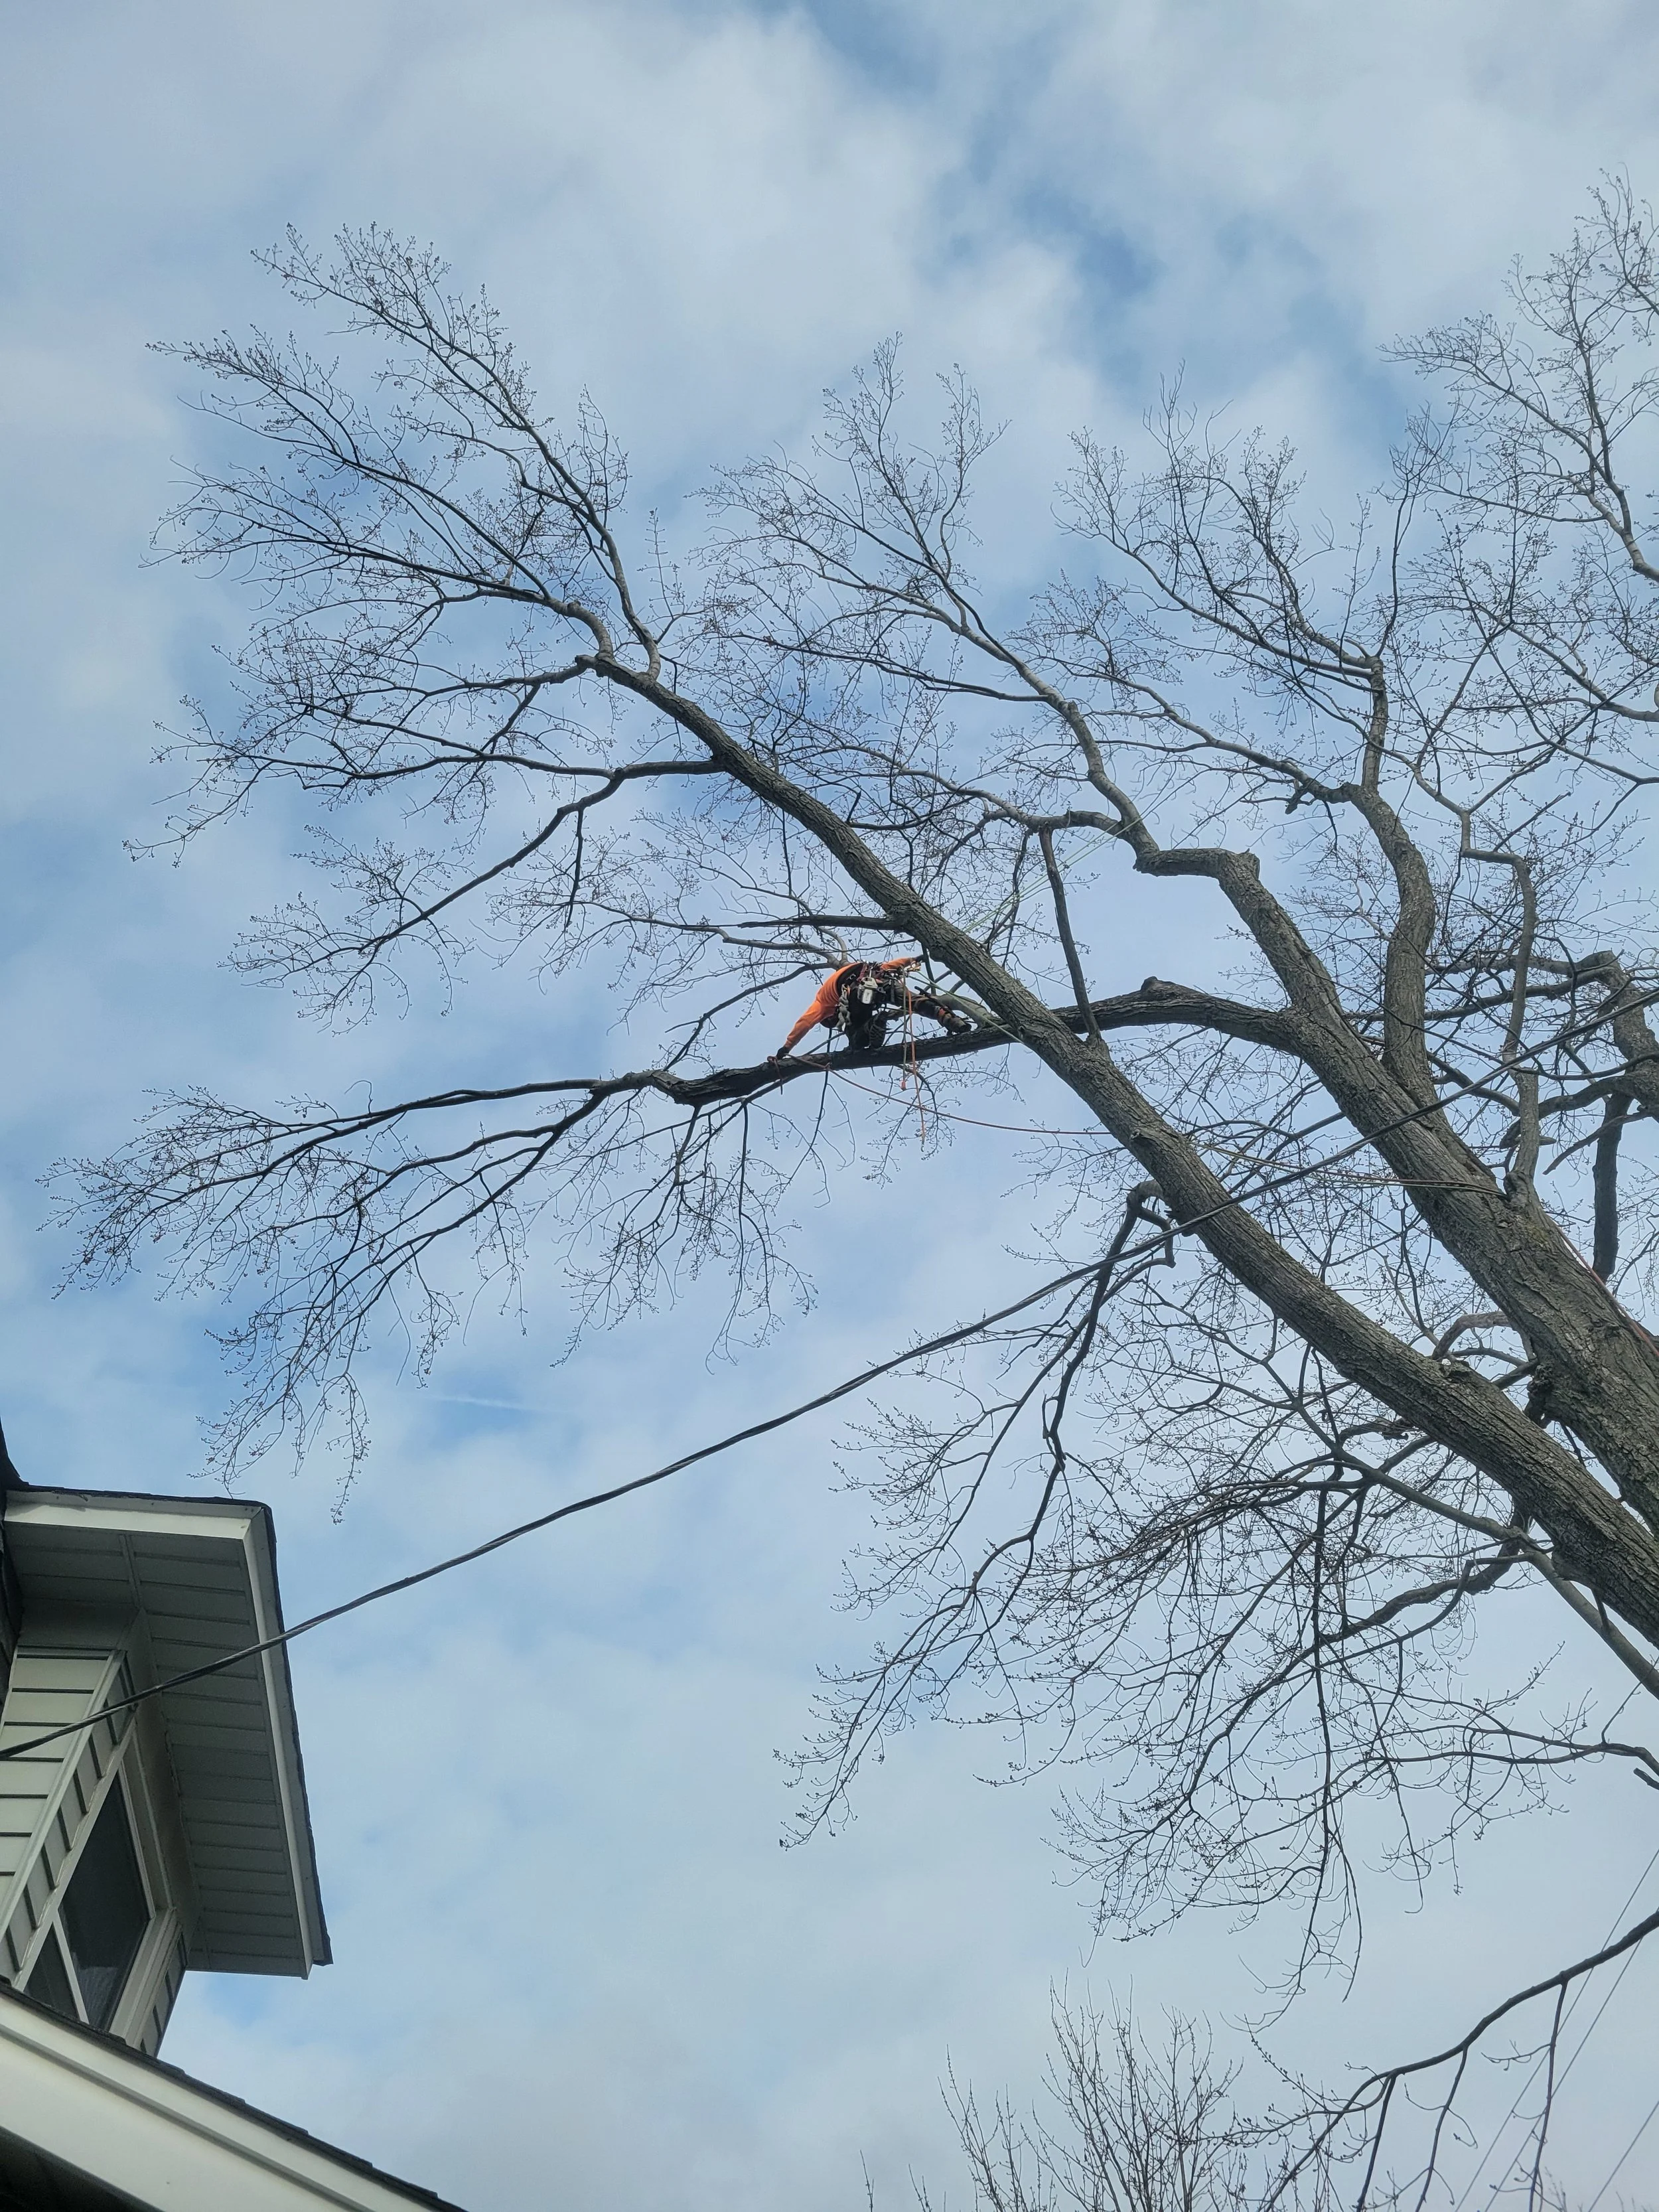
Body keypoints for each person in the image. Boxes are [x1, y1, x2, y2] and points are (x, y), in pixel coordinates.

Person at [768, 956, 972, 1061]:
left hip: (856, 993)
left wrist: (787, 1047)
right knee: (913, 1001)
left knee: (855, 1035)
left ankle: (872, 1026)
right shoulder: (868, 970)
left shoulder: (823, 1004)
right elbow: (891, 965)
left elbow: (804, 1023)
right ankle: (946, 1016)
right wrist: (912, 960)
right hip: (879, 978)